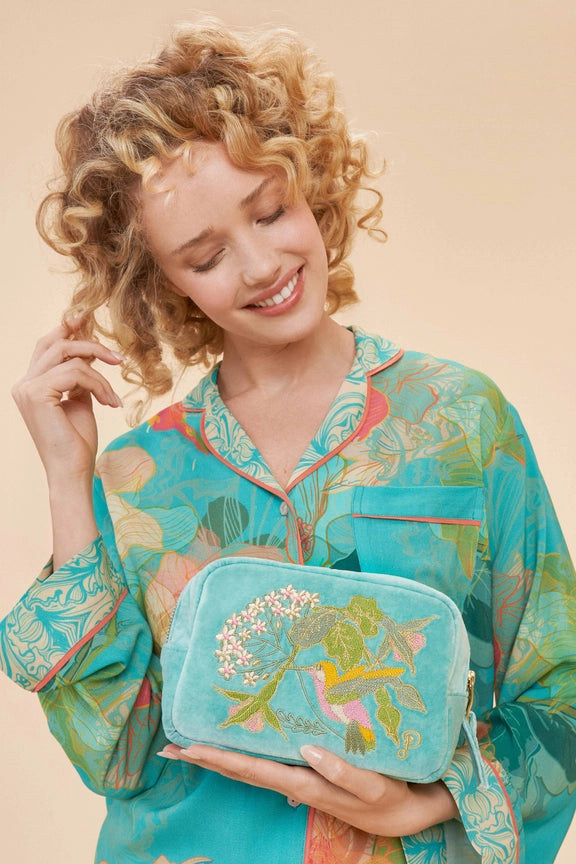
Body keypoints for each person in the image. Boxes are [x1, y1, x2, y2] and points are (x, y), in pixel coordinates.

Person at [1, 18, 574, 864]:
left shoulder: (463, 420)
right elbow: (118, 757)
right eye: (205, 258)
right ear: (163, 283)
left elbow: (559, 695)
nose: (262, 265)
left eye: (270, 211)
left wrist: (419, 806)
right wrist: (65, 475)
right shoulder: (136, 475)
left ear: (309, 181)